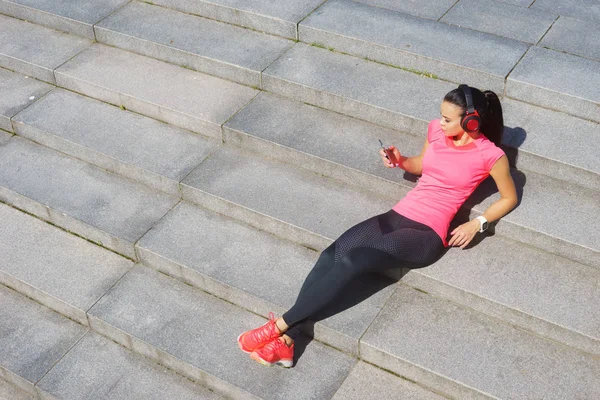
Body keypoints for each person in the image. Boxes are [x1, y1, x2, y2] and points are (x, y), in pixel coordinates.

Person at [237, 84, 518, 368]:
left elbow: (509, 197)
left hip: (426, 234)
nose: (440, 122)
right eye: (441, 116)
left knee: (353, 261)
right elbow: (421, 164)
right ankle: (288, 341)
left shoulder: (490, 155)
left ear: (471, 120)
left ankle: (276, 329)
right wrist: (400, 161)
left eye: (448, 118)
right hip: (396, 214)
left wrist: (478, 223)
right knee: (330, 255)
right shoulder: (436, 130)